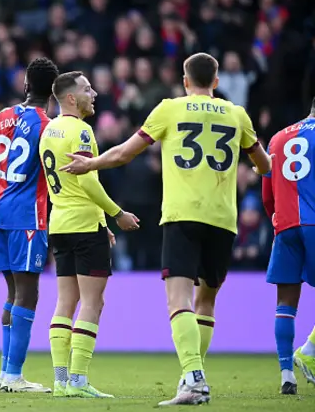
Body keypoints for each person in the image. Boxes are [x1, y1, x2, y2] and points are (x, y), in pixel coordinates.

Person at [60, 53, 273, 406]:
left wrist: (91, 163)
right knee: (206, 302)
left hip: (181, 217)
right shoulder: (238, 115)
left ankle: (193, 377)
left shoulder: (170, 109)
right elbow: (264, 166)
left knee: (179, 302)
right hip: (223, 220)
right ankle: (195, 377)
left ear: (185, 81)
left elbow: (125, 154)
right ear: (216, 82)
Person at [38, 71, 140, 398]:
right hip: (83, 225)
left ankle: (59, 380)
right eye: (86, 89)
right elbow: (86, 180)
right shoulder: (81, 130)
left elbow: (68, 185)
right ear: (71, 98)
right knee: (93, 302)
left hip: (60, 224)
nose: (93, 93)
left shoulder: (49, 129)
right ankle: (78, 381)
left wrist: (103, 223)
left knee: (65, 302)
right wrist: (116, 214)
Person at [0, 57, 59, 393]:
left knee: (13, 292)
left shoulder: (1, 116)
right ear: (55, 92)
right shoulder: (49, 125)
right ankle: (13, 375)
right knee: (28, 293)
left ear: (26, 85)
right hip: (28, 215)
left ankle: (5, 373)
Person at [261, 99, 315, 394]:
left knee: (286, 303)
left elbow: (267, 194)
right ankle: (308, 350)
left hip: (285, 226)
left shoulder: (278, 138)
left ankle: (286, 375)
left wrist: (277, 220)